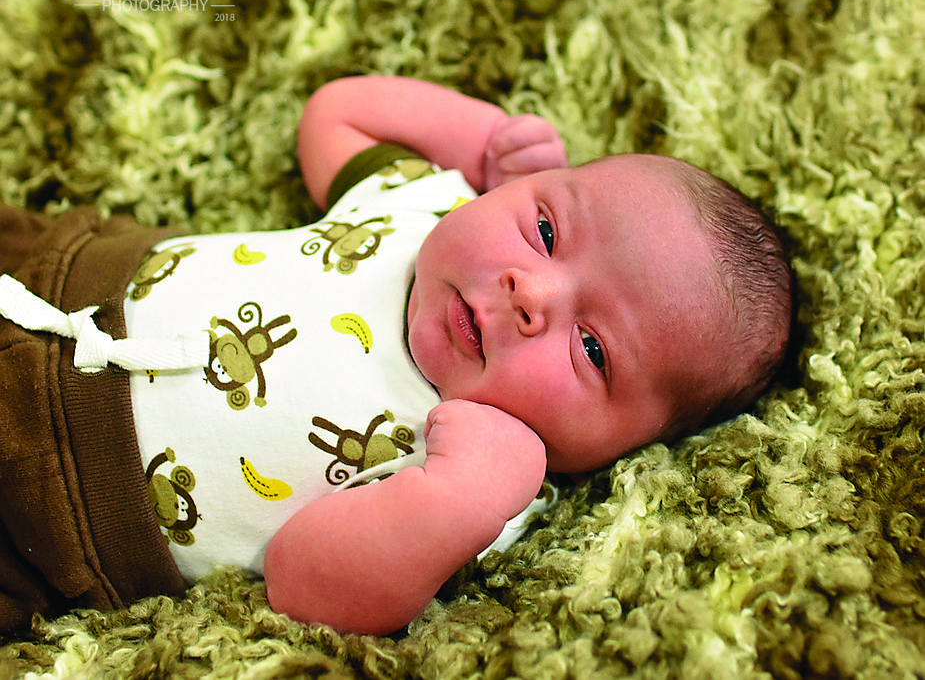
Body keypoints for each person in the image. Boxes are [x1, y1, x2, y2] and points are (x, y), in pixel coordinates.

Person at [0, 76, 792, 636]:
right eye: (546, 229)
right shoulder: (424, 202)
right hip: (58, 273)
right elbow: (335, 116)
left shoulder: (481, 486)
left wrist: (453, 500)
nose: (531, 291)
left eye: (591, 347)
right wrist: (480, 139)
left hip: (54, 518)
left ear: (620, 445)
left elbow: (303, 585)